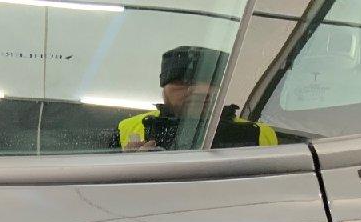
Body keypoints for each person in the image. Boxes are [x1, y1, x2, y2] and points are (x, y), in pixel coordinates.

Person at [116, 46, 279, 151]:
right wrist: (127, 167)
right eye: (183, 82)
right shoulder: (127, 129)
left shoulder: (259, 134)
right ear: (164, 89)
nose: (200, 90)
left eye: (211, 82)